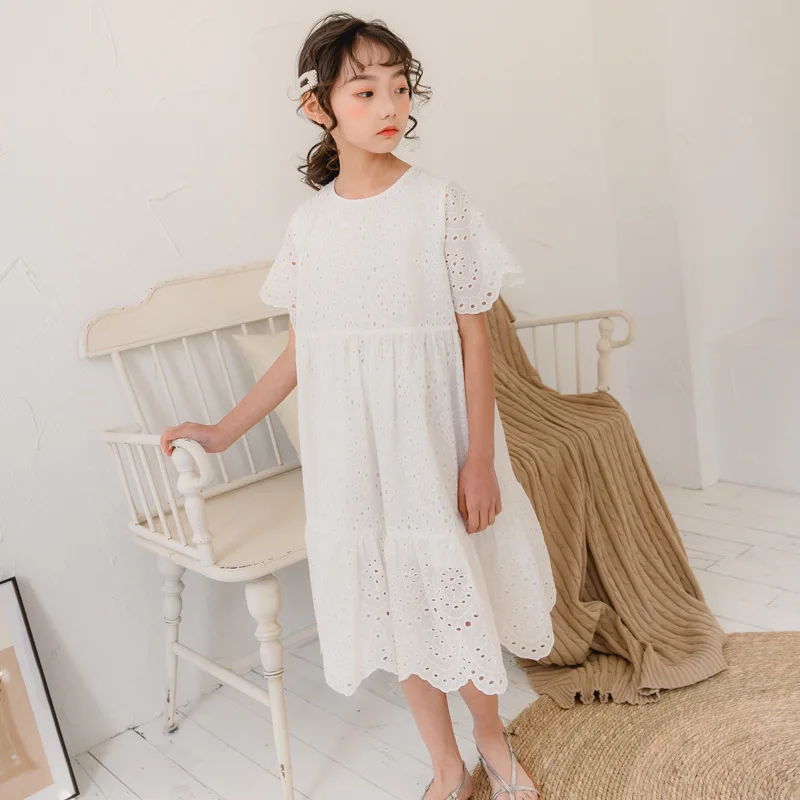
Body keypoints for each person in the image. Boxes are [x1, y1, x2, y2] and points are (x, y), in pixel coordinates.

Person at [161, 12, 556, 800]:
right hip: (353, 458)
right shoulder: (310, 227)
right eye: (366, 90)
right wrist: (223, 431)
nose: (390, 106)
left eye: (400, 88)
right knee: (399, 606)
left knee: (454, 596)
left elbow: (474, 339)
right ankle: (445, 765)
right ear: (320, 107)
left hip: (434, 446)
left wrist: (480, 459)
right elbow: (303, 351)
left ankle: (490, 741)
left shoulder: (438, 204)